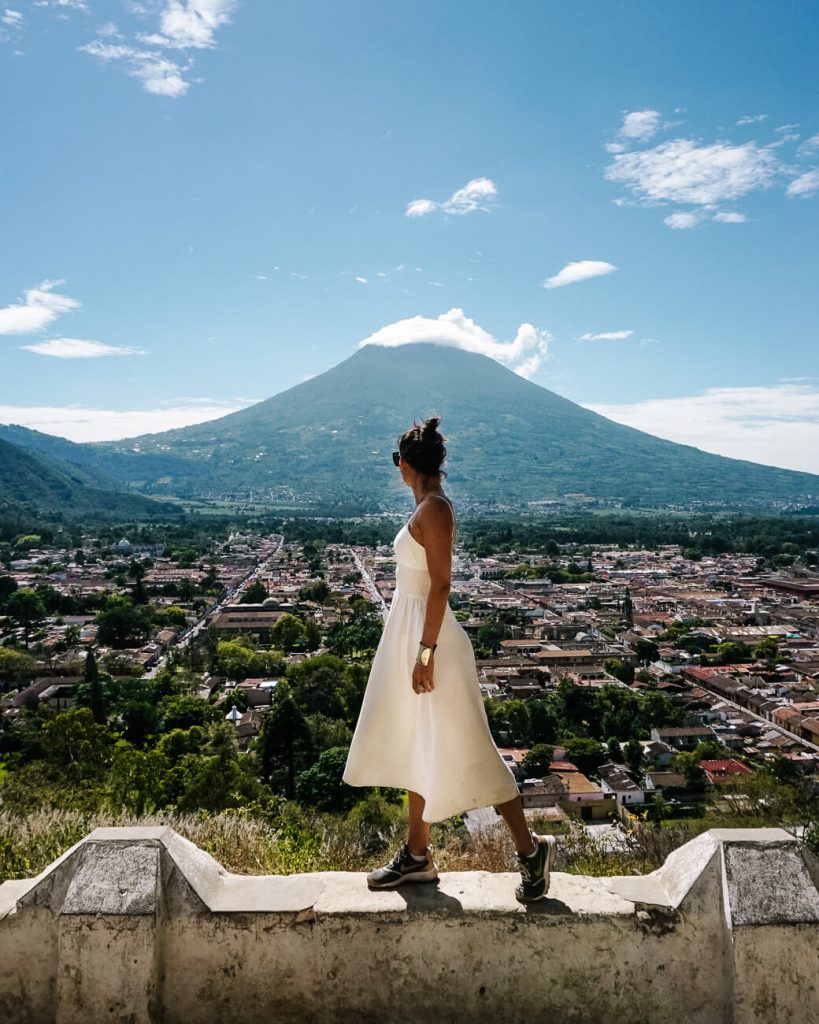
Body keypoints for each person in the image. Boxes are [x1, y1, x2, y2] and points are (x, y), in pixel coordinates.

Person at [342, 416, 557, 904]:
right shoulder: (428, 507)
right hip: (418, 636)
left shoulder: (434, 510)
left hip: (431, 643)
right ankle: (418, 856)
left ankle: (530, 852)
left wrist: (425, 652)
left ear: (406, 465)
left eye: (396, 462)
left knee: (471, 746)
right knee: (418, 743)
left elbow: (441, 584)